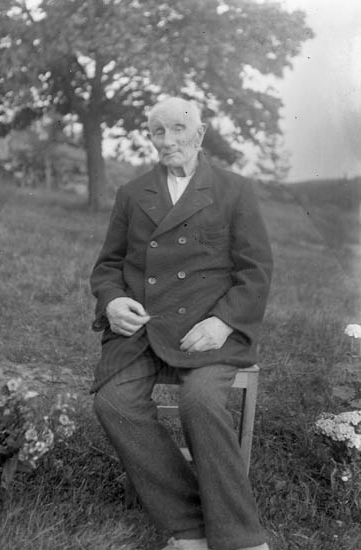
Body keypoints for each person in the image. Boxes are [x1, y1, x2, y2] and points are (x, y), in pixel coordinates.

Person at [90, 97, 273, 550]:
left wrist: (223, 322)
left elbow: (255, 272)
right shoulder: (133, 193)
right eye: (158, 131)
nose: (168, 140)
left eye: (178, 128)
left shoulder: (234, 189)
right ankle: (190, 526)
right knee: (113, 403)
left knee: (201, 403)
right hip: (144, 329)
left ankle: (240, 538)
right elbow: (108, 265)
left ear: (200, 133)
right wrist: (113, 301)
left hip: (208, 331)